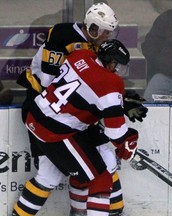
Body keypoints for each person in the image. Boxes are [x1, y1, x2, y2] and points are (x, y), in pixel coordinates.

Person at [16, 3, 147, 216]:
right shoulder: (62, 36)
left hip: (52, 113)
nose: (107, 35)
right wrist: (115, 104)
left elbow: (85, 84)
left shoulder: (84, 54)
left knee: (102, 159)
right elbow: (54, 83)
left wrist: (119, 101)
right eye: (104, 30)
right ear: (93, 27)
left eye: (110, 31)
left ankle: (101, 212)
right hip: (49, 111)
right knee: (58, 175)